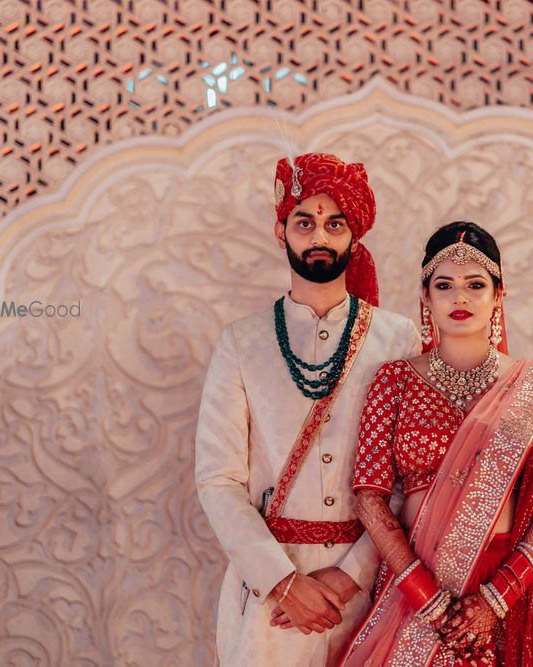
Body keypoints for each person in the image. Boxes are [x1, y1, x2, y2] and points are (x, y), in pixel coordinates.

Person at [340, 222, 533, 666]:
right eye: (444, 285)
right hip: (414, 588)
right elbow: (369, 498)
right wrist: (425, 596)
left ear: (498, 295)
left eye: (475, 284)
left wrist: (497, 598)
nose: (460, 297)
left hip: (507, 591)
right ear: (425, 297)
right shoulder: (393, 381)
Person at [194, 152, 421, 666]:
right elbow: (218, 479)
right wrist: (281, 581)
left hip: (374, 593)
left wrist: (351, 576)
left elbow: (414, 476)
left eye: (334, 223)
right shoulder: (241, 343)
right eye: (305, 221)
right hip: (270, 601)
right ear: (282, 232)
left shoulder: (397, 338)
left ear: (353, 236)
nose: (319, 234)